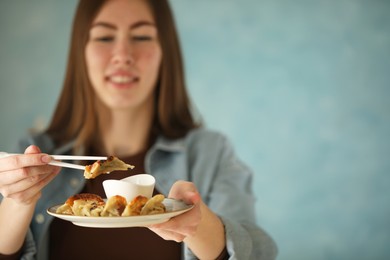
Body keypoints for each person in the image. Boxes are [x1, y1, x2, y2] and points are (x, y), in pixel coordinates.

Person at [0, 0, 277, 259]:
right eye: (105, 37)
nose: (122, 55)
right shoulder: (37, 154)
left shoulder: (210, 152)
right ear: (80, 51)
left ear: (164, 52)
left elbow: (259, 251)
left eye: (142, 36)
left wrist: (199, 222)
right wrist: (18, 202)